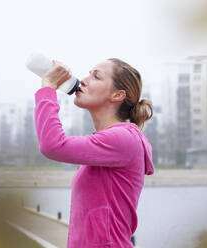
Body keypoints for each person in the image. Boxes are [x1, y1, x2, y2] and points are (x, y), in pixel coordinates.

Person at [34, 58, 155, 248]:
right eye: (88, 73)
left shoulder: (123, 139)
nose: (83, 80)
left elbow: (52, 145)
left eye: (96, 76)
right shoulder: (106, 143)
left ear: (117, 95)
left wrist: (47, 88)